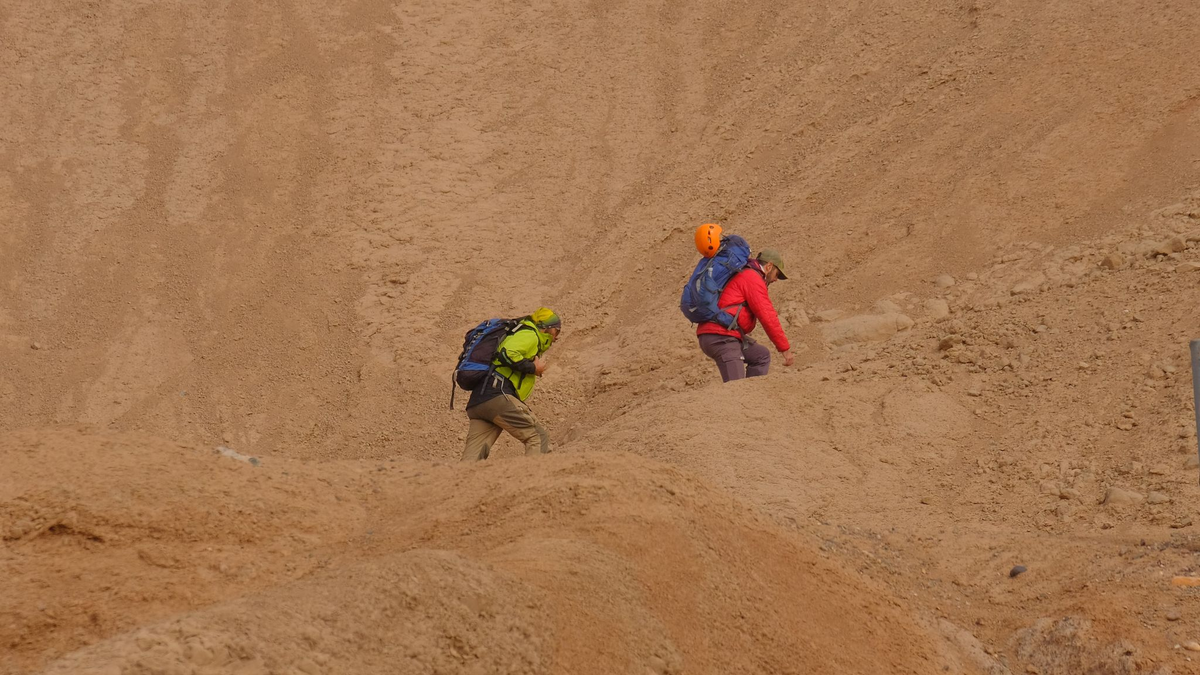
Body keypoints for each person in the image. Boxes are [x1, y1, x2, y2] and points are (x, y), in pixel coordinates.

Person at [462, 307, 561, 461]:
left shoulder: (521, 332)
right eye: (557, 331)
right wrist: (533, 368)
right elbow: (506, 353)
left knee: (472, 459)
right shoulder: (530, 334)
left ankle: (459, 483)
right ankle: (533, 483)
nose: (557, 337)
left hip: (479, 402)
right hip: (496, 394)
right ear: (546, 329)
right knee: (537, 436)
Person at [696, 249, 794, 382]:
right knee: (736, 389)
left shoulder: (746, 274)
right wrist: (784, 348)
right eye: (777, 274)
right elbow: (767, 316)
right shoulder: (752, 278)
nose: (776, 279)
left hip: (726, 334)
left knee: (761, 356)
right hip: (721, 336)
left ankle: (752, 398)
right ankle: (741, 400)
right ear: (769, 266)